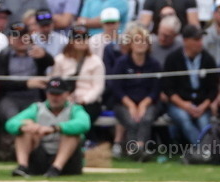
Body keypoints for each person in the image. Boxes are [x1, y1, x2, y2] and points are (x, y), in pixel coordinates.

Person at [6, 76, 90, 178]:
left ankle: (56, 167)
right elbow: (10, 123)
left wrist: (56, 128)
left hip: (68, 161)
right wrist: (26, 127)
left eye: (59, 94)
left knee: (71, 133)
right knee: (25, 125)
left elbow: (84, 124)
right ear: (47, 94)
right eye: (52, 94)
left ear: (67, 94)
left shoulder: (75, 109)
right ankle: (22, 166)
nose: (55, 98)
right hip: (41, 155)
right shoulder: (37, 108)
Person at [109, 25, 161, 160]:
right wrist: (131, 105)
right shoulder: (121, 63)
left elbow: (155, 89)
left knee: (146, 118)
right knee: (131, 120)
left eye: (144, 40)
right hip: (124, 102)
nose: (141, 44)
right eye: (137, 40)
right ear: (130, 44)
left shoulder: (154, 64)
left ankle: (139, 148)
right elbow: (116, 88)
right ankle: (133, 150)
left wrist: (143, 104)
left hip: (148, 102)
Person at [162, 25, 218, 144]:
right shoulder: (173, 59)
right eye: (196, 40)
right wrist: (184, 105)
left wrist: (203, 106)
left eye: (201, 39)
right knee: (184, 119)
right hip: (179, 104)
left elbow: (213, 89)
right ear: (185, 41)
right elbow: (168, 88)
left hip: (202, 104)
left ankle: (204, 152)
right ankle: (204, 151)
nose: (200, 43)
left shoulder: (208, 59)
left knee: (204, 123)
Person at [0, 22, 53, 125]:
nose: (21, 39)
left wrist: (44, 55)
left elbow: (50, 63)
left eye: (24, 35)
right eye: (17, 36)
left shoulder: (36, 52)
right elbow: (0, 82)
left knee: (38, 118)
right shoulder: (3, 56)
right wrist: (26, 84)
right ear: (10, 39)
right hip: (9, 97)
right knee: (14, 120)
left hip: (34, 96)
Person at [51, 26, 106, 123]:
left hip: (88, 102)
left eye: (85, 38)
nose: (82, 41)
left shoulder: (96, 61)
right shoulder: (60, 60)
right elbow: (55, 82)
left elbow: (98, 87)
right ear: (71, 41)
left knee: (83, 118)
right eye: (78, 38)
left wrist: (85, 99)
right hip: (64, 100)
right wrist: (64, 97)